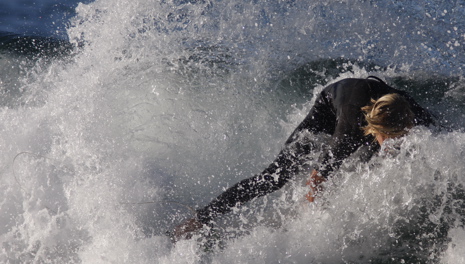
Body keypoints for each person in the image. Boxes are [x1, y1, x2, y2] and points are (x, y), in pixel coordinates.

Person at [171, 76, 436, 241]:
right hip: (329, 108)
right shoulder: (347, 136)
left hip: (372, 103)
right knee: (274, 178)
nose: (398, 141)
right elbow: (316, 178)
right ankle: (199, 219)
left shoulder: (409, 111)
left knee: (370, 161)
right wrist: (311, 222)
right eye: (393, 137)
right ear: (376, 130)